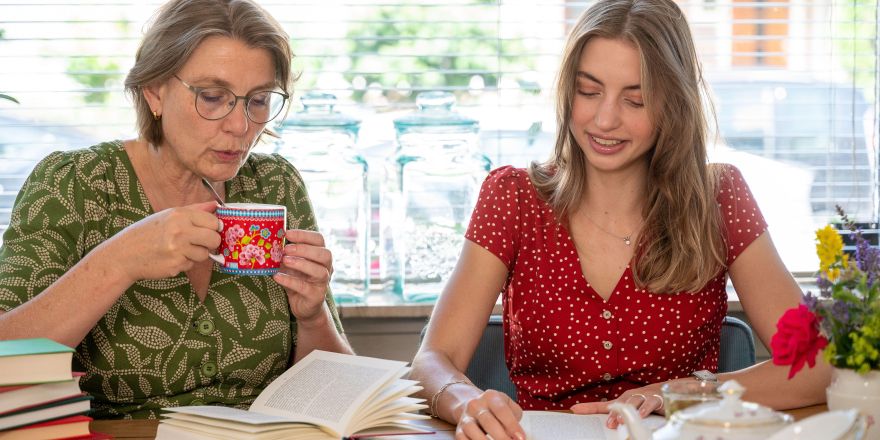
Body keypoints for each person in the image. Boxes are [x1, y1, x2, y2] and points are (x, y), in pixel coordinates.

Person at [409, 0, 831, 438]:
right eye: (588, 91)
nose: (605, 119)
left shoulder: (719, 198)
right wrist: (465, 403)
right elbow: (433, 359)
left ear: (674, 105)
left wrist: (688, 392)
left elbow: (817, 364)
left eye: (636, 100)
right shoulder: (513, 197)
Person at [0, 0, 352, 419]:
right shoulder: (75, 183)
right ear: (154, 92)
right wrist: (118, 262)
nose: (241, 127)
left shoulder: (275, 185)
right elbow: (7, 362)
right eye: (213, 96)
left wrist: (312, 318)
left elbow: (336, 396)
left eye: (258, 101)